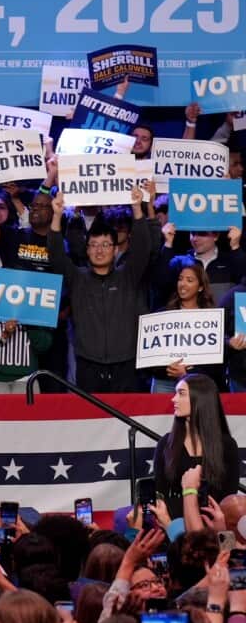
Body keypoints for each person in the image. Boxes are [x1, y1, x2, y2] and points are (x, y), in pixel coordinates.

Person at [47, 182, 151, 393]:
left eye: (105, 245)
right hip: (88, 366)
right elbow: (56, 255)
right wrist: (57, 215)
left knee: (126, 414)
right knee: (90, 414)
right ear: (86, 250)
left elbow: (143, 248)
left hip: (126, 365)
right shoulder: (77, 278)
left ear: (115, 250)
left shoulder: (128, 276)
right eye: (93, 245)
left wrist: (137, 208)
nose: (99, 250)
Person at [153, 373, 240, 513]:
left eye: (181, 393)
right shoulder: (166, 443)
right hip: (174, 521)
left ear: (200, 399)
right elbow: (160, 493)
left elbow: (229, 497)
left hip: (214, 522)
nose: (174, 399)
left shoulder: (227, 445)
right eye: (175, 393)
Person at [147, 262, 222, 393]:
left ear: (200, 287)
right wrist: (167, 367)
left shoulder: (210, 318)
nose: (183, 284)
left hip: (197, 383)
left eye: (189, 280)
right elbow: (151, 354)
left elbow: (215, 362)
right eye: (180, 279)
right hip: (164, 382)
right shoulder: (162, 315)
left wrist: (188, 372)